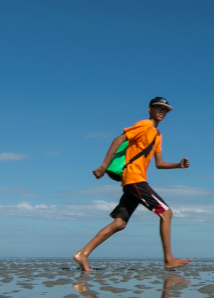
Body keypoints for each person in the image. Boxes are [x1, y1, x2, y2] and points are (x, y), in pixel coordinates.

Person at [73, 97, 193, 272]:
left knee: (119, 223)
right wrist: (103, 167)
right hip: (134, 179)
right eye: (158, 107)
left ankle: (82, 254)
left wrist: (178, 165)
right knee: (166, 213)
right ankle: (169, 259)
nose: (162, 111)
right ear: (149, 109)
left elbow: (159, 164)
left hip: (134, 182)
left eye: (165, 109)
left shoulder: (157, 135)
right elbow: (118, 140)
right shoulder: (144, 125)